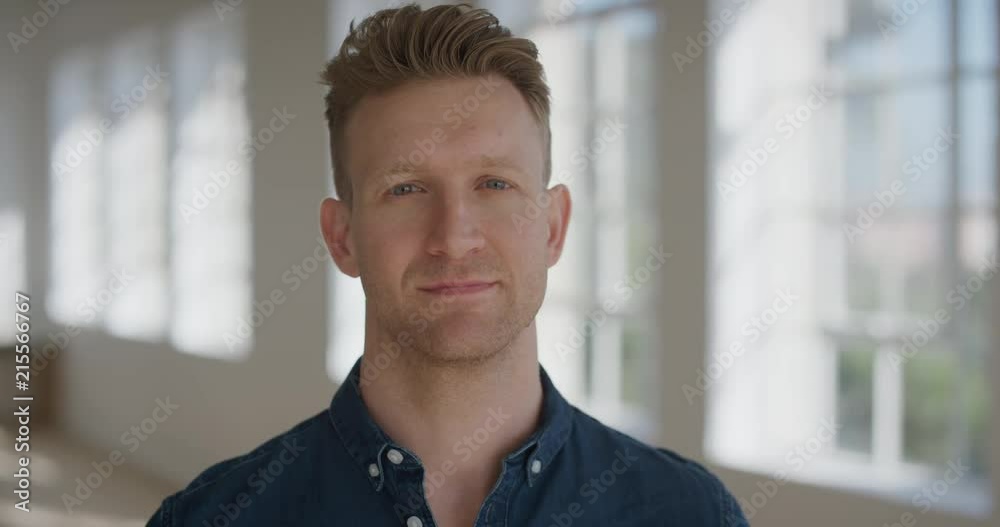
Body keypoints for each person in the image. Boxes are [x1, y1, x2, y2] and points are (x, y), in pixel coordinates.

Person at [146, 4, 748, 526]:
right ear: (342, 237)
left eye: (494, 183)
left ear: (553, 227)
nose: (455, 238)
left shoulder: (689, 513)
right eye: (405, 189)